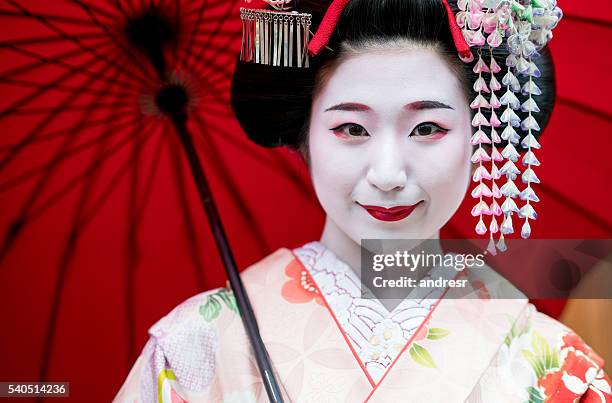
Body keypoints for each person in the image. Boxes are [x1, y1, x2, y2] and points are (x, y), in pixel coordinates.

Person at [115, 0, 611, 401]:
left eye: (428, 128)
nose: (389, 174)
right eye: (351, 128)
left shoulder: (551, 366)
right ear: (303, 134)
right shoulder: (198, 346)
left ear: (482, 133)